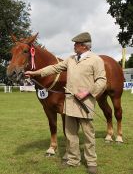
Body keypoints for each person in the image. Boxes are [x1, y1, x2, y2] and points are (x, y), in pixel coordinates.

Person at [25, 32, 107, 174]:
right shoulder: (71, 59)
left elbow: (101, 81)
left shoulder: (96, 60)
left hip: (84, 103)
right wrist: (34, 73)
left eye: (76, 44)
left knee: (88, 135)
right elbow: (54, 68)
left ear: (83, 46)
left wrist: (87, 92)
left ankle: (91, 162)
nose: (74, 46)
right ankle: (73, 160)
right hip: (70, 103)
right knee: (70, 134)